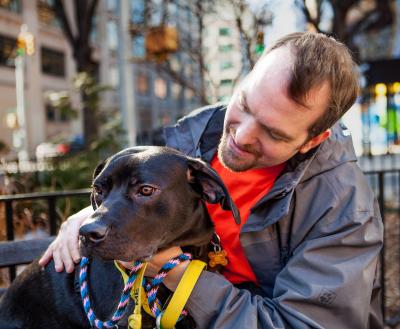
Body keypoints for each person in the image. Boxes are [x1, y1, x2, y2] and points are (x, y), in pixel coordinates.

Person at [39, 32, 383, 328]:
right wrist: (93, 213)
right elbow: (134, 189)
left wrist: (180, 275)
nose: (240, 136)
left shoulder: (343, 209)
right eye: (245, 104)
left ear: (313, 140)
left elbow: (298, 324)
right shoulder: (194, 139)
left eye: (273, 133)